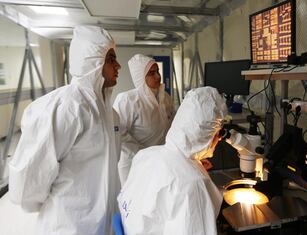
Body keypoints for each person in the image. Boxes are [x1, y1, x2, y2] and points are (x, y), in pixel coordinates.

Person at [8, 25, 121, 235]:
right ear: (93, 63)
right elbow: (28, 180)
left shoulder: (109, 114)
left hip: (103, 224)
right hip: (69, 225)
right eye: (111, 59)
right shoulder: (67, 108)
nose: (118, 66)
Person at [118, 86, 227, 235]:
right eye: (217, 133)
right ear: (208, 136)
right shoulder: (192, 184)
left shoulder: (146, 155)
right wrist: (193, 173)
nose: (218, 139)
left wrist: (193, 167)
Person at [113, 54, 175, 185]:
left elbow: (173, 125)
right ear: (141, 77)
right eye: (151, 73)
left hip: (159, 160)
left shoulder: (165, 98)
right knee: (134, 201)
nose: (158, 76)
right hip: (133, 163)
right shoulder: (128, 100)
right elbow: (119, 135)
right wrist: (144, 154)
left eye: (157, 71)